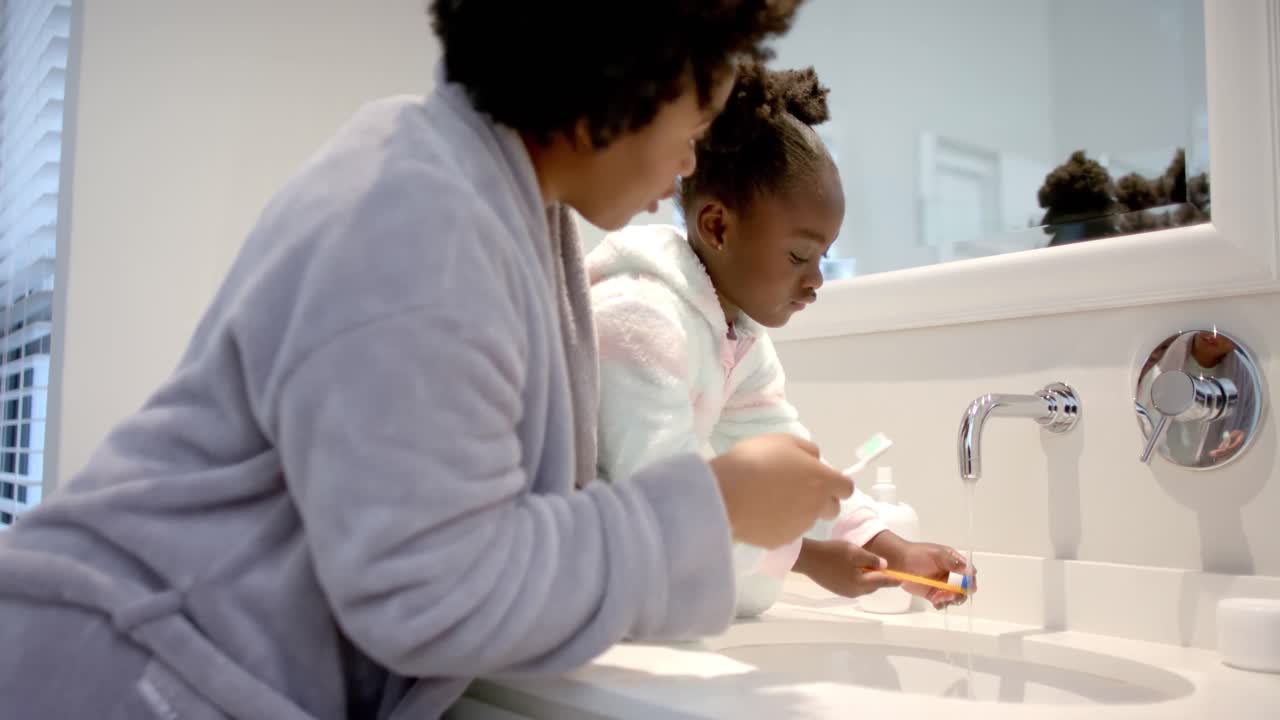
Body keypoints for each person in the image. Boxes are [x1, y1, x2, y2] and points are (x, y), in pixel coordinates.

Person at [0, 2, 856, 718]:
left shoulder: (503, 207)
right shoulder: (423, 213)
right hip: (115, 675)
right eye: (697, 121)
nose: (693, 160)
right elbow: (434, 586)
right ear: (634, 69)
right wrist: (713, 506)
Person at [589, 62, 973, 618]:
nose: (815, 279)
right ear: (717, 226)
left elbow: (797, 476)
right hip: (601, 606)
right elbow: (667, 504)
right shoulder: (638, 321)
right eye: (798, 256)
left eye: (823, 257)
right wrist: (810, 557)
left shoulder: (735, 335)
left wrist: (893, 548)